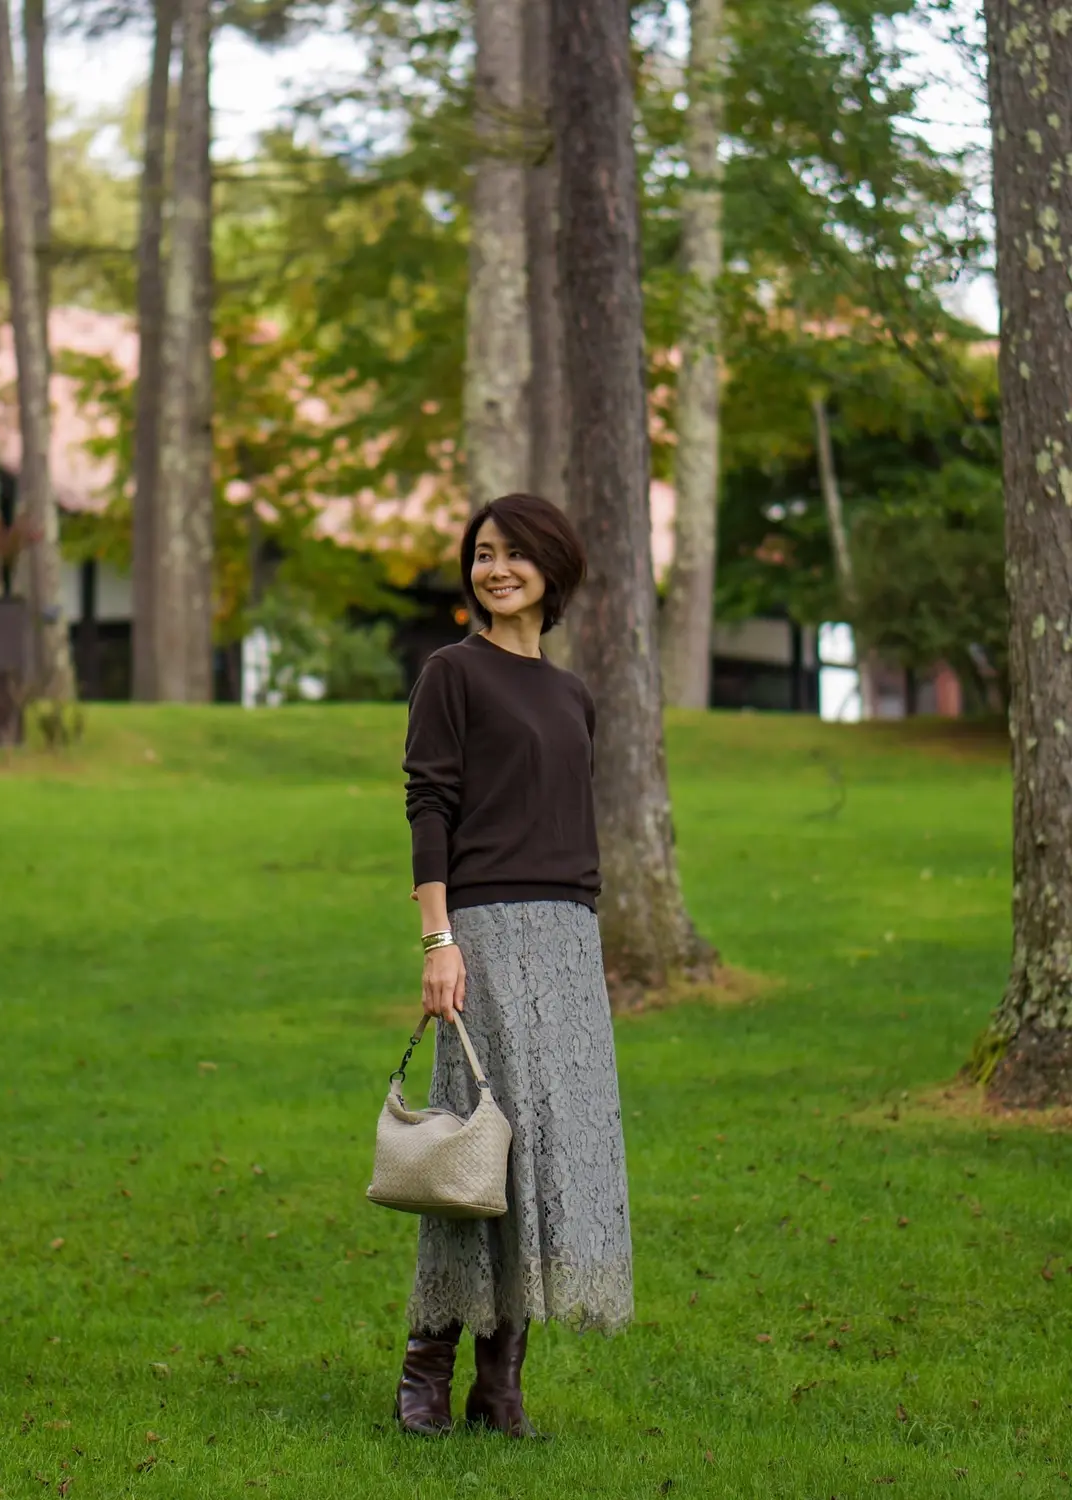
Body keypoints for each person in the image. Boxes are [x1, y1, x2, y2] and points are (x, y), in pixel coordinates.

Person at [395, 492, 633, 1439]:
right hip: (484, 934)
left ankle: (503, 1386)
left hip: (570, 939)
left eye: (514, 554)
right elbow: (428, 806)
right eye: (482, 553)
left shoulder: (572, 694)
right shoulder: (452, 674)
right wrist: (437, 939)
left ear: (551, 569)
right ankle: (426, 1371)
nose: (494, 568)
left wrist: (583, 939)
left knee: (542, 1159)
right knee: (473, 1152)